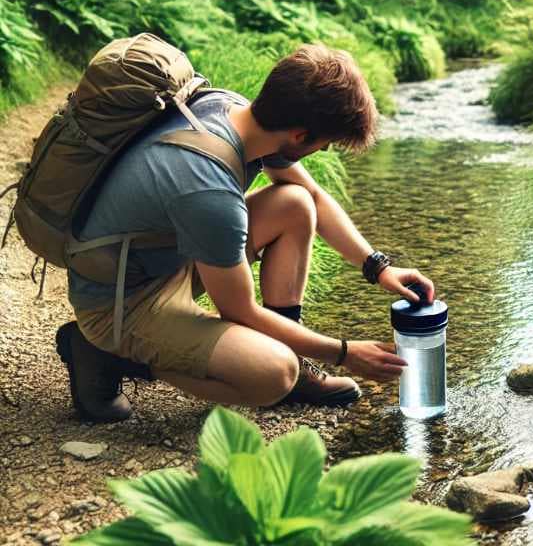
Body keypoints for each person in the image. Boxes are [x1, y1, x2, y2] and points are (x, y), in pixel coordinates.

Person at [56, 43, 435, 423]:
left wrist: (379, 268)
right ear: (301, 135)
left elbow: (314, 199)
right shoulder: (209, 187)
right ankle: (106, 356)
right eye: (326, 144)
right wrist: (344, 351)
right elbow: (240, 311)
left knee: (295, 203)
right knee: (272, 375)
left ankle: (297, 362)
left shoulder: (232, 110)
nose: (323, 150)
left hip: (159, 255)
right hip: (122, 302)